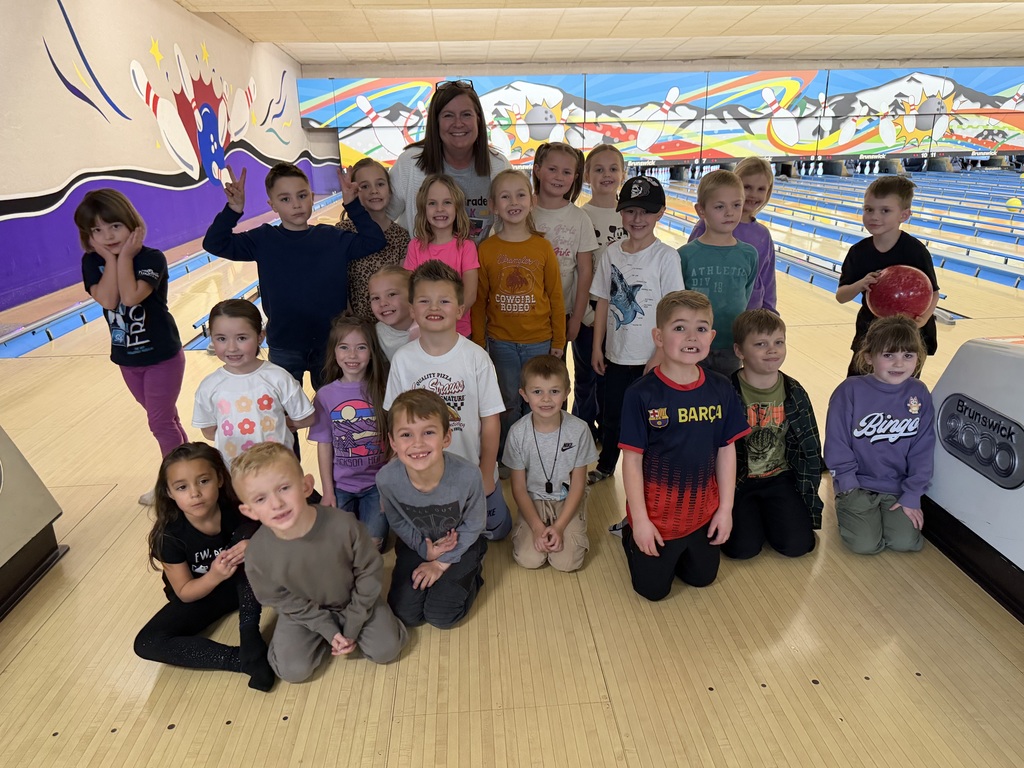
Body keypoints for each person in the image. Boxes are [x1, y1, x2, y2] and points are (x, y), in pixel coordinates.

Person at [202, 162, 385, 396]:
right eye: (285, 199)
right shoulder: (264, 239)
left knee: (336, 410)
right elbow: (214, 243)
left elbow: (374, 241)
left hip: (330, 344)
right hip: (284, 344)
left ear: (311, 197)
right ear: (273, 205)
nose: (296, 204)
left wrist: (352, 204)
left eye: (301, 196)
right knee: (284, 416)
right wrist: (233, 210)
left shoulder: (332, 238)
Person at [233, 442, 408, 683]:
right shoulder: (257, 555)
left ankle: (344, 631)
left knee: (386, 650)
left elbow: (369, 571)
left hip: (355, 602)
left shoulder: (344, 525)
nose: (276, 504)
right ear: (249, 511)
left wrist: (353, 623)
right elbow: (280, 598)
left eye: (284, 488)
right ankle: (315, 638)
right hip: (302, 614)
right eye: (260, 499)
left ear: (306, 486)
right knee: (293, 672)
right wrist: (327, 628)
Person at [618, 291, 750, 601]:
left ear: (712, 336)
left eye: (701, 328)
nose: (692, 336)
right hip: (657, 518)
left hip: (702, 514)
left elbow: (726, 449)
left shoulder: (721, 387)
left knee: (702, 579)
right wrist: (640, 521)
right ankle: (627, 531)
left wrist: (725, 510)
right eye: (679, 328)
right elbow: (632, 461)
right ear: (659, 337)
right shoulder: (641, 394)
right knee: (653, 591)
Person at [384, 261, 512, 540]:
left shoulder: (477, 357)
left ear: (459, 309)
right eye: (424, 301)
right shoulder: (403, 360)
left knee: (498, 531)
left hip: (469, 469)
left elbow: (490, 420)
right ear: (412, 309)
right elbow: (394, 424)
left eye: (444, 301)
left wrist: (486, 472)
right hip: (420, 471)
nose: (434, 308)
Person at [134, 442, 275, 691]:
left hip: (247, 585)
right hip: (203, 593)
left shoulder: (237, 509)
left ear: (220, 479)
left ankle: (250, 635)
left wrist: (256, 545)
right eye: (182, 487)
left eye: (203, 481)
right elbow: (185, 592)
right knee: (146, 643)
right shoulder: (170, 535)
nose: (195, 493)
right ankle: (241, 659)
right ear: (168, 492)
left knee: (247, 534)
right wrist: (214, 576)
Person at [76, 189, 186, 505]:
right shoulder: (91, 262)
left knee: (160, 422)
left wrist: (123, 257)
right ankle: (189, 471)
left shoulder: (151, 258)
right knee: (167, 420)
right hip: (127, 359)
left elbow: (130, 296)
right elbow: (108, 299)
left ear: (131, 224)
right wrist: (111, 259)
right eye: (96, 230)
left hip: (162, 357)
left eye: (113, 226)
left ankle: (172, 488)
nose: (106, 235)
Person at [589, 175, 685, 485]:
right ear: (621, 213)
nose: (637, 218)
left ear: (660, 213)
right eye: (630, 211)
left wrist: (659, 355)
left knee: (655, 419)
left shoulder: (667, 257)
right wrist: (597, 347)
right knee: (613, 416)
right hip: (617, 356)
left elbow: (673, 313)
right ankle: (606, 465)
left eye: (646, 211)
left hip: (654, 359)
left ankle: (653, 471)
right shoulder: (611, 253)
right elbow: (603, 301)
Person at [377, 389, 488, 628]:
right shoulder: (386, 479)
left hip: (463, 543)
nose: (417, 443)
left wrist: (441, 563)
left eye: (428, 432)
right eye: (406, 434)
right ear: (393, 442)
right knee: (406, 616)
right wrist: (424, 550)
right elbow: (397, 520)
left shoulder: (468, 475)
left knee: (442, 616)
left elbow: (475, 523)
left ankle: (473, 571)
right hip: (418, 544)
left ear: (446, 437)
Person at [824, 316, 935, 555]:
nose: (899, 363)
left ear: (918, 358)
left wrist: (913, 494)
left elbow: (923, 449)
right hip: (857, 486)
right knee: (866, 546)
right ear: (868, 357)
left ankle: (879, 516)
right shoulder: (850, 391)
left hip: (898, 488)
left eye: (908, 355)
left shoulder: (919, 393)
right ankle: (849, 510)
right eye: (888, 355)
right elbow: (837, 444)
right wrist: (848, 486)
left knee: (905, 542)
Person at [472, 169, 566, 451]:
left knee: (538, 404)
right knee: (509, 403)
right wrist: (479, 343)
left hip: (539, 340)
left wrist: (559, 341)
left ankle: (536, 454)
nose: (514, 202)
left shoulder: (543, 247)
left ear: (532, 201)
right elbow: (479, 301)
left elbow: (556, 297)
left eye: (520, 194)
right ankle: (510, 455)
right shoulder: (487, 249)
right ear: (493, 205)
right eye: (505, 196)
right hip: (501, 343)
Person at [726, 310, 822, 559]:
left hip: (780, 478)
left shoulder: (795, 392)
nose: (772, 350)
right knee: (741, 549)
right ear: (739, 351)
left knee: (798, 546)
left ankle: (768, 514)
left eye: (778, 342)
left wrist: (808, 496)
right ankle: (754, 516)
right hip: (739, 481)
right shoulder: (725, 393)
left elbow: (809, 449)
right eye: (761, 344)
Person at [836, 176, 940, 378]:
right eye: (869, 209)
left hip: (907, 337)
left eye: (885, 210)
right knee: (858, 386)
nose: (874, 216)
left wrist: (921, 320)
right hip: (870, 334)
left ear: (904, 215)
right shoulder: (859, 252)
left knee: (900, 392)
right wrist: (861, 283)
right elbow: (841, 296)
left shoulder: (915, 251)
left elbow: (933, 292)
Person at [192, 299, 315, 466]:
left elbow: (307, 418)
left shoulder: (280, 377)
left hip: (278, 473)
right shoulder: (207, 387)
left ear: (260, 337)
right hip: (234, 476)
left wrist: (283, 423)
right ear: (212, 339)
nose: (232, 347)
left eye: (241, 338)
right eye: (221, 339)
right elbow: (207, 431)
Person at [503, 355, 597, 572]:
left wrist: (560, 526)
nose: (546, 399)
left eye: (554, 391)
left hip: (567, 500)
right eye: (537, 392)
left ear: (566, 393)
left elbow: (578, 485)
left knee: (566, 563)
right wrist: (537, 528)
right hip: (533, 500)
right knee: (529, 559)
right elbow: (518, 488)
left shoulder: (579, 429)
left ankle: (568, 524)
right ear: (524, 395)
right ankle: (534, 527)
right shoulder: (518, 433)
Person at [388, 80, 511, 244]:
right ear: (436, 122)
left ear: (479, 120)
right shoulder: (410, 164)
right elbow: (383, 217)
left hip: (477, 269)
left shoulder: (498, 166)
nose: (458, 123)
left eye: (466, 114)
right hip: (422, 269)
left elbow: (515, 222)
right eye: (448, 115)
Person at [309, 314, 390, 551]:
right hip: (341, 485)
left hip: (376, 485)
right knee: (340, 546)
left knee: (373, 545)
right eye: (344, 347)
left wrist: (388, 490)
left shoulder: (383, 390)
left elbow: (394, 443)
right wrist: (328, 492)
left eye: (361, 347)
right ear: (334, 352)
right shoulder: (325, 395)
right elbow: (324, 445)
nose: (352, 355)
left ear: (372, 352)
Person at [677, 170, 758, 377]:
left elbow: (746, 298)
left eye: (736, 205)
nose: (730, 212)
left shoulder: (749, 255)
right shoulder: (685, 255)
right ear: (701, 210)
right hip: (691, 344)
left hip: (731, 346)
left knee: (725, 401)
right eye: (720, 207)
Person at [578, 145, 627, 442]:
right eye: (598, 169)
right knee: (586, 378)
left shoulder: (633, 215)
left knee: (614, 378)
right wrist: (584, 312)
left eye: (613, 168)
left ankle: (610, 430)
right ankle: (583, 429)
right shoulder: (581, 215)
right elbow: (578, 270)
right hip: (589, 311)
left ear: (623, 174)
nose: (606, 174)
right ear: (587, 176)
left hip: (624, 315)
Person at [531, 142, 599, 354]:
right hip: (522, 309)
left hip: (561, 313)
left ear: (575, 177)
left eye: (567, 172)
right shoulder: (523, 210)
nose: (559, 177)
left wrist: (577, 318)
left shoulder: (580, 218)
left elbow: (585, 271)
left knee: (551, 379)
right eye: (552, 169)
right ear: (537, 169)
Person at [687, 157, 779, 314]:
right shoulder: (707, 224)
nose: (753, 194)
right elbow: (690, 265)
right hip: (706, 312)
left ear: (768, 191)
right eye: (747, 187)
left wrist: (770, 314)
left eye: (761, 189)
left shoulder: (763, 235)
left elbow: (767, 280)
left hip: (749, 317)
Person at [403, 174, 479, 337]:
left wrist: (446, 321)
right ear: (423, 208)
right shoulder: (415, 246)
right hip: (425, 332)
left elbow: (470, 294)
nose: (439, 209)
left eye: (447, 202)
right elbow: (410, 290)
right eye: (432, 203)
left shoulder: (467, 247)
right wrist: (431, 321)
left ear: (457, 207)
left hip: (459, 333)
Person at [337, 158, 411, 322]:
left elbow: (402, 286)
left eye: (380, 184)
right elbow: (339, 281)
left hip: (390, 324)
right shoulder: (344, 231)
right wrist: (350, 320)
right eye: (365, 186)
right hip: (356, 325)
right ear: (354, 192)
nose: (374, 191)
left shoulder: (401, 237)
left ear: (390, 191)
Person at [368, 265, 418, 361]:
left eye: (391, 294)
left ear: (412, 295)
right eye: (376, 298)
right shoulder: (375, 335)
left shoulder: (429, 328)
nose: (382, 303)